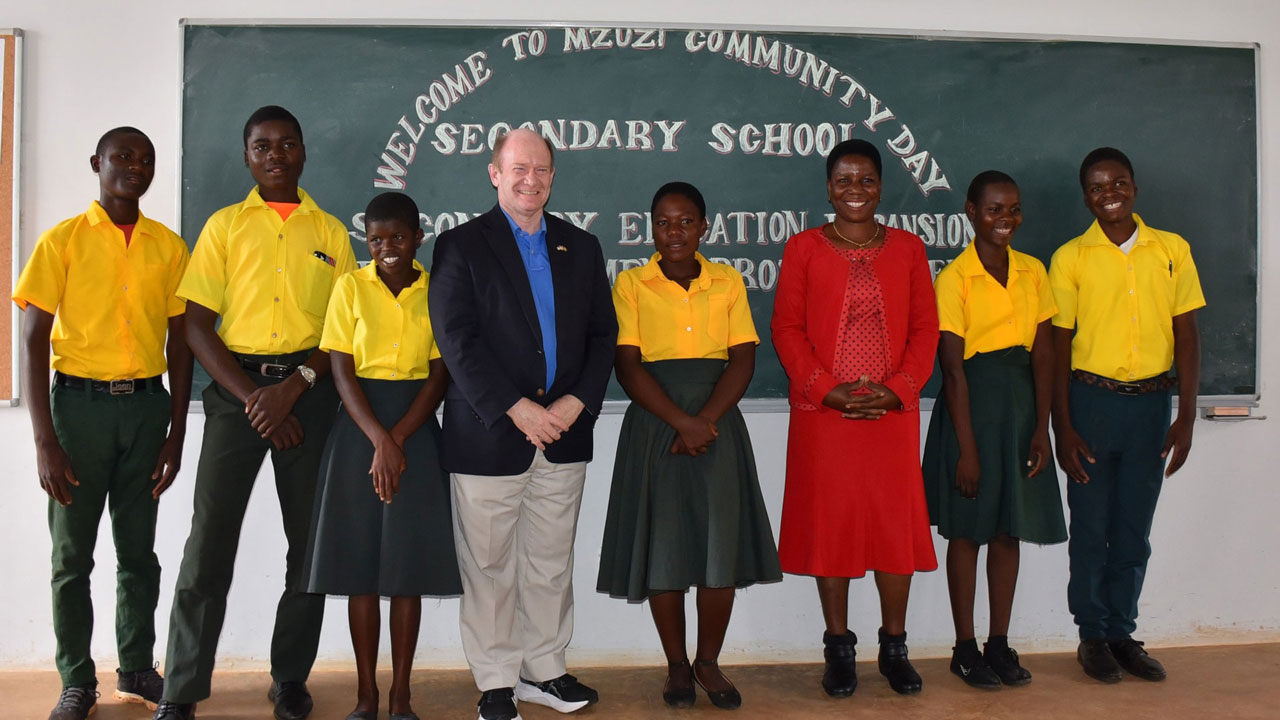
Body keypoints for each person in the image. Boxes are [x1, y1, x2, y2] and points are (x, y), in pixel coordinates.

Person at [153, 106, 356, 720]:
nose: (274, 155)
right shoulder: (223, 228)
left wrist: (291, 389)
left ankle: (290, 678)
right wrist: (255, 400)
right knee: (208, 543)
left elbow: (343, 334)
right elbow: (194, 325)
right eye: (261, 146)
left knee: (309, 546)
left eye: (286, 144)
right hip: (234, 398)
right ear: (247, 156)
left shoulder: (332, 233)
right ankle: (182, 687)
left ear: (302, 153)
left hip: (309, 399)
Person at [428, 127, 617, 720]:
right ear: (494, 173)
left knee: (549, 561)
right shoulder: (460, 246)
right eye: (518, 169)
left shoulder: (581, 247)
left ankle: (545, 670)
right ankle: (494, 681)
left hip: (564, 434)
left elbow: (601, 336)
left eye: (540, 170)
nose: (529, 180)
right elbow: (456, 340)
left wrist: (573, 404)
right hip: (489, 432)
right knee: (487, 565)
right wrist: (517, 407)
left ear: (553, 177)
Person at [14, 127, 192, 720]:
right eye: (122, 157)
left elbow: (181, 343)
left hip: (145, 407)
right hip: (78, 411)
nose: (134, 167)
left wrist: (176, 429)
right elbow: (34, 337)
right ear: (97, 163)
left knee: (139, 552)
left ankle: (138, 669)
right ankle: (76, 679)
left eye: (145, 160)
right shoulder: (62, 241)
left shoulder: (168, 247)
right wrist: (45, 438)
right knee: (73, 557)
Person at [597, 182, 782, 710]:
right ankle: (677, 665)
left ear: (705, 227)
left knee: (718, 543)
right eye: (663, 222)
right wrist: (681, 421)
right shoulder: (631, 284)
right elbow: (627, 366)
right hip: (656, 424)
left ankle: (708, 662)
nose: (674, 232)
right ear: (650, 228)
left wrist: (703, 422)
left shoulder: (728, 281)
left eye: (685, 222)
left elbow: (743, 360)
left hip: (718, 423)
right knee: (665, 546)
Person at [771, 138, 939, 698]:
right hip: (826, 416)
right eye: (843, 180)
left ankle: (895, 647)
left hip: (892, 416)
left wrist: (896, 392)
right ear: (828, 187)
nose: (855, 190)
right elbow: (787, 331)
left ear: (881, 186)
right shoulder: (803, 249)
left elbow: (925, 332)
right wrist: (828, 391)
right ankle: (839, 649)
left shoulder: (910, 250)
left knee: (894, 528)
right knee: (832, 528)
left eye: (866, 180)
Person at [300, 191, 462, 720]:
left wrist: (400, 438)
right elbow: (341, 370)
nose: (386, 248)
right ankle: (366, 694)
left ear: (419, 237)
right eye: (375, 240)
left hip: (416, 424)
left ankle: (401, 696)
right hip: (359, 429)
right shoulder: (350, 286)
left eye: (397, 237)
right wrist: (380, 439)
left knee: (406, 569)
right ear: (364, 242)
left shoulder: (439, 292)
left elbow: (440, 374)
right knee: (362, 568)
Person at [1049, 147, 1204, 684]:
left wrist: (1185, 417)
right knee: (1091, 527)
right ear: (1085, 196)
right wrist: (1061, 426)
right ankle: (1092, 634)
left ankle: (1122, 631)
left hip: (1151, 407)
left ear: (1134, 186)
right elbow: (1059, 345)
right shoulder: (1071, 258)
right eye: (1096, 186)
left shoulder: (1172, 250)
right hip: (1091, 404)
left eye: (1117, 182)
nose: (1108, 193)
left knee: (1134, 529)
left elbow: (1186, 336)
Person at [922, 171, 1066, 690]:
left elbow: (1045, 351)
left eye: (1013, 210)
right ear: (970, 211)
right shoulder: (954, 279)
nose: (1005, 220)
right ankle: (964, 648)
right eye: (994, 210)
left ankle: (998, 643)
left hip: (1021, 408)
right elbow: (954, 370)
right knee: (967, 532)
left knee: (1009, 528)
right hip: (972, 410)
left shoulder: (1033, 271)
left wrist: (1041, 427)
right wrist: (966, 449)